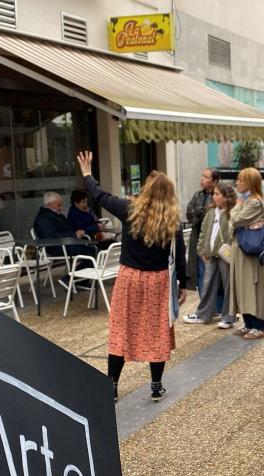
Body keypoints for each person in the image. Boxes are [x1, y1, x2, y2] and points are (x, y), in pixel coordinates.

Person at [76, 151, 187, 403]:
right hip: (158, 280)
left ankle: (112, 386)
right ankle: (156, 385)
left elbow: (101, 196)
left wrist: (87, 174)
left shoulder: (129, 210)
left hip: (130, 279)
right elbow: (180, 257)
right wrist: (181, 284)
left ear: (146, 190)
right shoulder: (172, 221)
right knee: (157, 330)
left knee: (122, 329)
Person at [182, 182, 237, 327]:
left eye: (217, 194)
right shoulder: (211, 212)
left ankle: (229, 317)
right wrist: (201, 250)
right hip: (211, 254)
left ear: (226, 197)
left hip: (226, 255)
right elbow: (204, 233)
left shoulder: (233, 213)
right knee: (207, 285)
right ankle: (203, 315)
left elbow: (233, 235)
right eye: (214, 193)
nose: (214, 196)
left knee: (228, 286)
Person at [228, 167, 264, 339]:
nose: (237, 183)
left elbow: (235, 220)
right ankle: (248, 323)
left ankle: (259, 326)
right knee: (241, 286)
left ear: (250, 182)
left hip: (250, 251)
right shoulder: (247, 200)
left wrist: (236, 208)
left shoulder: (253, 202)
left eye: (241, 180)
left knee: (251, 286)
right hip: (242, 250)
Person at [186, 168, 219, 296]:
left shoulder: (219, 196)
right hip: (197, 239)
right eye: (202, 176)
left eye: (206, 177)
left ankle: (215, 306)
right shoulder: (198, 195)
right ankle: (204, 304)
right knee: (199, 272)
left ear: (214, 181)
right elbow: (189, 213)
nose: (202, 179)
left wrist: (203, 213)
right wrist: (196, 215)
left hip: (212, 241)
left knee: (212, 273)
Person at [33, 191, 94, 258]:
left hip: (67, 244)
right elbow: (52, 236)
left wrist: (77, 233)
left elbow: (68, 228)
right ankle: (78, 268)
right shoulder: (43, 218)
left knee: (94, 250)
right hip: (58, 247)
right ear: (49, 205)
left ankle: (78, 268)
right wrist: (74, 234)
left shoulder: (56, 215)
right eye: (59, 205)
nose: (61, 208)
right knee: (91, 253)